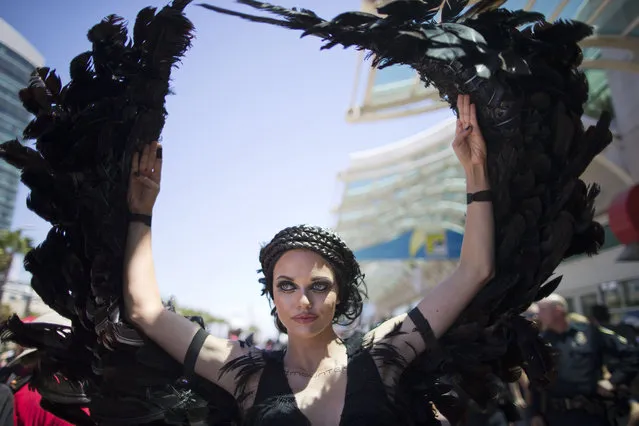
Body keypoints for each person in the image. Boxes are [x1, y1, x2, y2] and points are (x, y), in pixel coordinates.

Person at [123, 95, 495, 425]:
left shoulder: (383, 353)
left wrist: (475, 171)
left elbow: (475, 271)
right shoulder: (244, 372)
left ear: (340, 293)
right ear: (272, 293)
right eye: (287, 286)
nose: (303, 301)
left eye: (318, 286)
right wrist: (141, 213)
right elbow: (145, 312)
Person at [529, 294, 639, 426]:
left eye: (542, 310)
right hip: (557, 417)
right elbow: (535, 381)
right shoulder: (540, 343)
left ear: (558, 310)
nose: (537, 315)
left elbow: (632, 354)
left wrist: (613, 381)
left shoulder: (591, 333)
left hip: (592, 415)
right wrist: (535, 414)